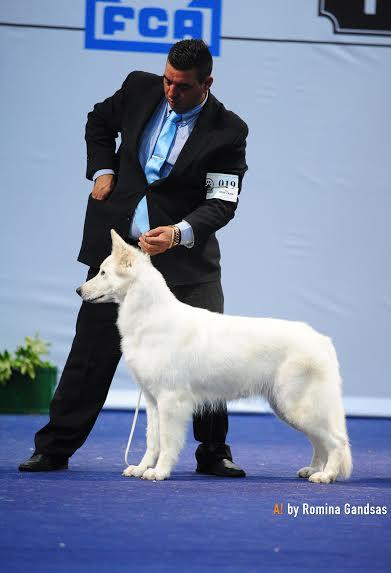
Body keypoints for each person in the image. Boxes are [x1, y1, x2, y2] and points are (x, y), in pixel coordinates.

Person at [19, 39, 249, 477]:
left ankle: (213, 451)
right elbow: (98, 122)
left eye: (182, 86)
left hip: (185, 262)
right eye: (166, 80)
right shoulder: (138, 88)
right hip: (121, 258)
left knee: (206, 355)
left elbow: (222, 202)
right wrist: (103, 169)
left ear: (207, 83)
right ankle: (54, 447)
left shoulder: (229, 130)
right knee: (90, 351)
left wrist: (180, 233)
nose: (170, 91)